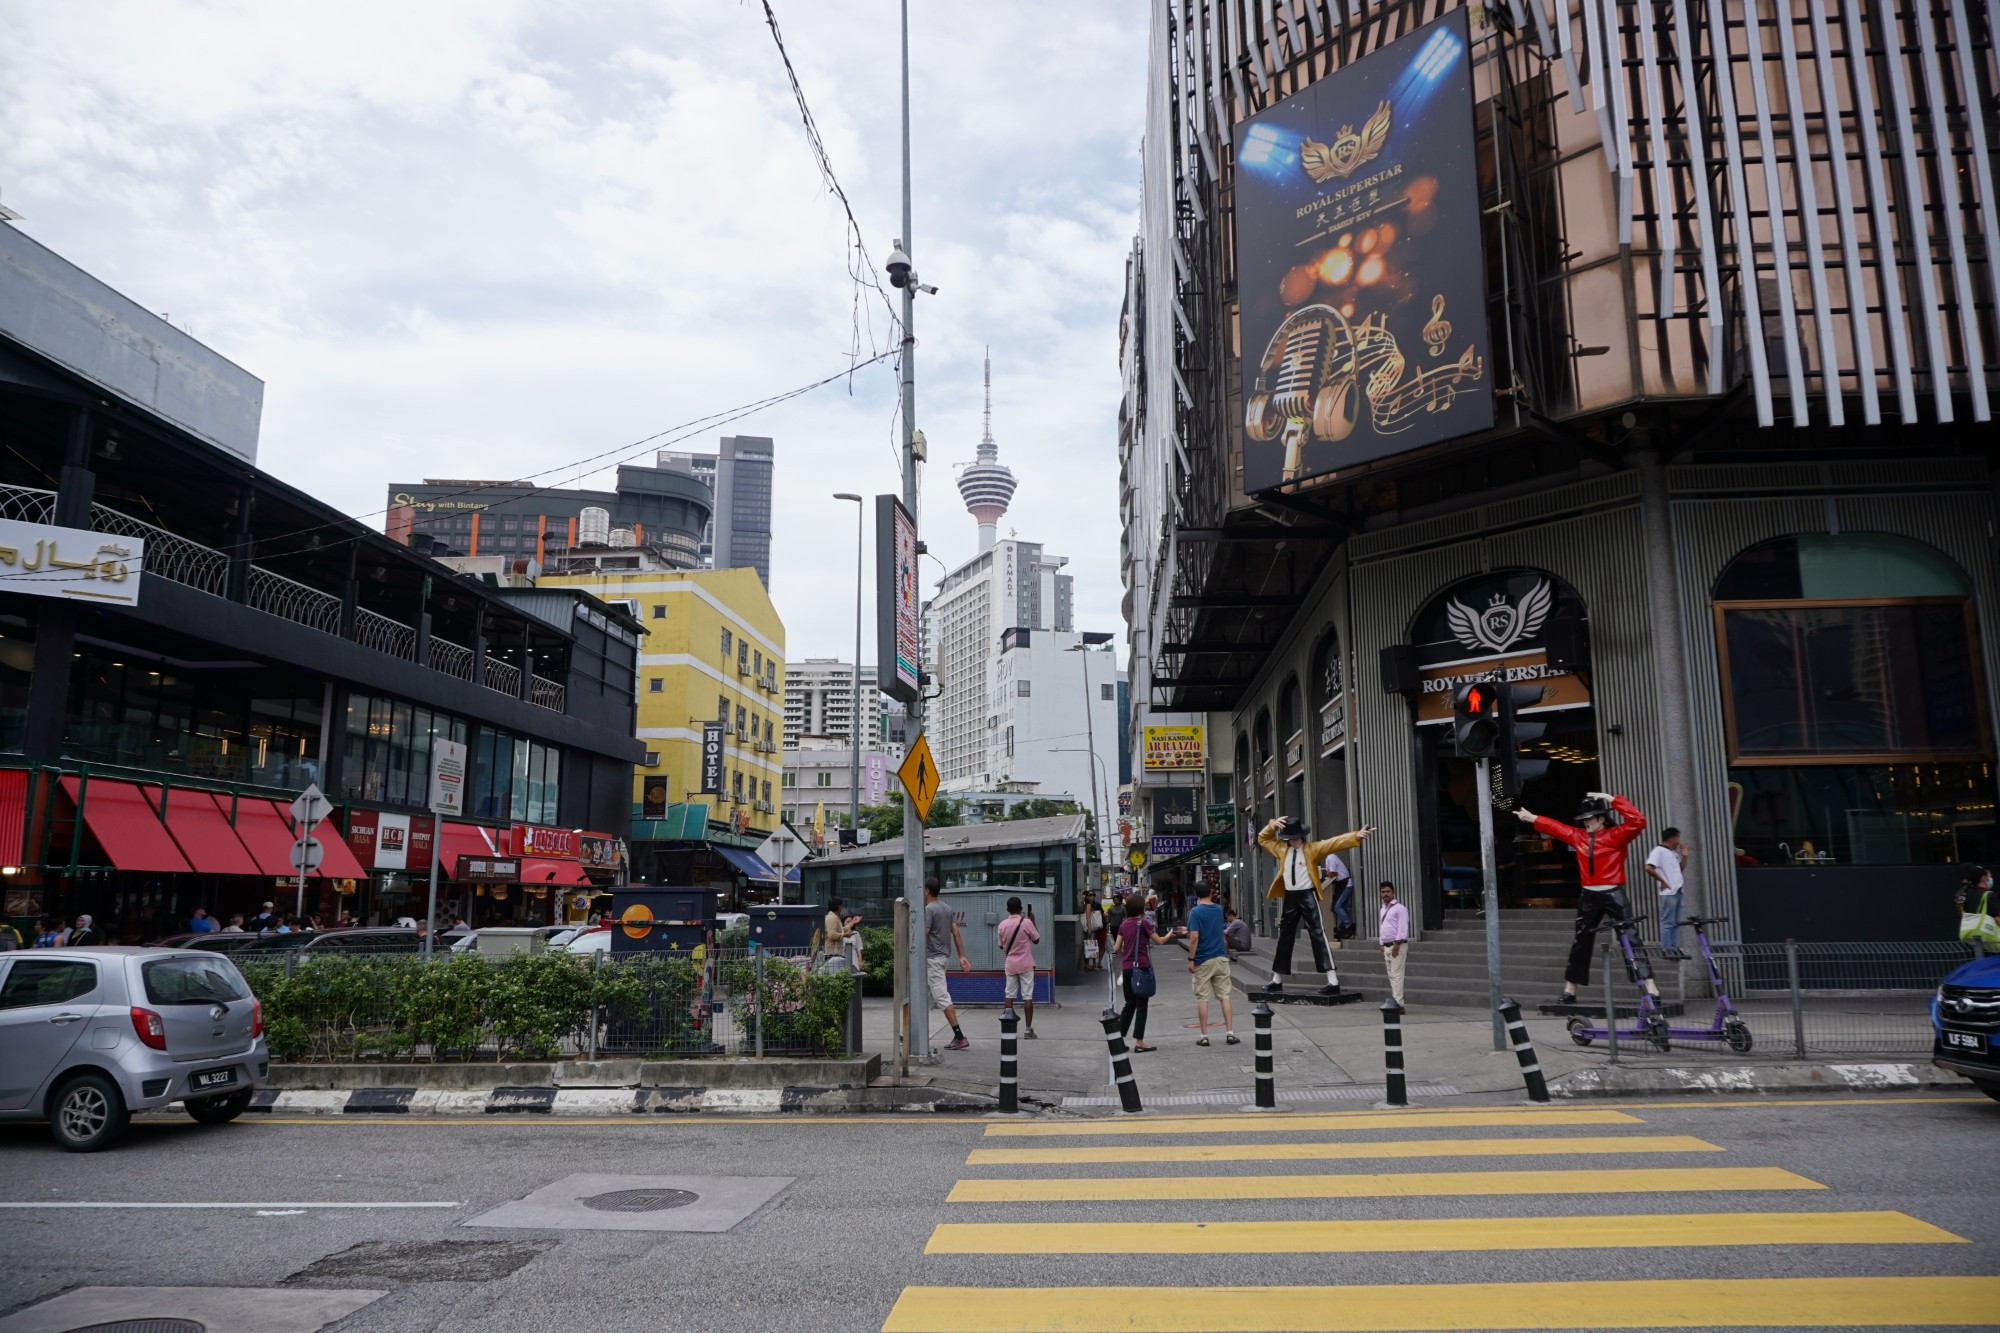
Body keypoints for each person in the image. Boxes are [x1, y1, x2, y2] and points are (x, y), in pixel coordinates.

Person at [1516, 792, 1661, 1006]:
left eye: (1590, 818)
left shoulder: (1616, 835)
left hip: (1613, 892)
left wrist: (1610, 798)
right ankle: (1570, 989)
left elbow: (1639, 820)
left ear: (1601, 819)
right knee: (1581, 940)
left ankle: (1650, 986)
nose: (1586, 823)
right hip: (1589, 894)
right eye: (1584, 819)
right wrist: (1533, 818)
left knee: (1630, 937)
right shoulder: (1579, 836)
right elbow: (1557, 828)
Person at [1255, 815, 1376, 997]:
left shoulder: (1311, 849)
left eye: (1296, 837)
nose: (1293, 841)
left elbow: (1334, 843)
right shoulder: (1281, 850)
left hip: (1307, 895)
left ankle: (1333, 981)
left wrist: (1356, 836)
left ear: (1302, 836)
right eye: (1290, 838)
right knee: (1284, 936)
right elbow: (1262, 839)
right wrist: (1272, 825)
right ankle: (1276, 980)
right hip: (1290, 897)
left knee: (1318, 934)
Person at [1116, 891, 1177, 1052]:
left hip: (1127, 968)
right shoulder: (1143, 923)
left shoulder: (1123, 925)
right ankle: (1139, 1042)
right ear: (1140, 908)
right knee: (1142, 1005)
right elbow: (1160, 941)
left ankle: (1118, 1040)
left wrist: (1126, 958)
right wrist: (1170, 934)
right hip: (1141, 968)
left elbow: (1116, 948)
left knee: (1129, 1004)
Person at [1184, 881, 1236, 1045]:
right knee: (1224, 996)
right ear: (1211, 892)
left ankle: (1204, 1037)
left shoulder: (1195, 912)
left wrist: (1191, 959)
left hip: (1203, 959)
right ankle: (1230, 1032)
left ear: (1196, 895)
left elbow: (1194, 937)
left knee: (1203, 998)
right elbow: (1217, 930)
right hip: (1220, 957)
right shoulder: (1218, 909)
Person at [924, 878, 972, 1051]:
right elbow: (956, 932)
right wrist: (962, 956)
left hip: (932, 960)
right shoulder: (947, 908)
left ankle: (959, 1036)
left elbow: (923, 933)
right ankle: (912, 1034)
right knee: (923, 998)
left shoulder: (929, 910)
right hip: (943, 957)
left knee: (942, 997)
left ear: (927, 891)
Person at [997, 897, 1041, 1038]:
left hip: (1010, 965)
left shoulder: (1002, 925)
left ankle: (1008, 1028)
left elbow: (1000, 945)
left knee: (1009, 994)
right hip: (1026, 965)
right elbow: (1036, 939)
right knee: (1027, 996)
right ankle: (1028, 1030)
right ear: (1021, 909)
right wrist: (1033, 921)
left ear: (1008, 910)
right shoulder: (1027, 922)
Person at [1645, 828, 1689, 960]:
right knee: (1668, 921)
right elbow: (1648, 867)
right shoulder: (1658, 851)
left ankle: (1673, 947)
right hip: (1669, 892)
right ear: (1671, 838)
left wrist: (1684, 856)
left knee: (1674, 922)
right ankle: (1667, 948)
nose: (1678, 841)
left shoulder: (1672, 853)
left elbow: (1679, 869)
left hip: (1677, 890)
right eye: (1677, 838)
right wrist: (1662, 881)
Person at [1377, 881, 1411, 1008]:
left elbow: (1403, 928)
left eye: (1388, 891)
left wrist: (1397, 944)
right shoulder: (1383, 909)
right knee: (1392, 975)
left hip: (1397, 946)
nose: (1385, 894)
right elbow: (1383, 926)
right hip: (1387, 946)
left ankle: (1398, 1003)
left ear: (1393, 893)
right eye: (1383, 892)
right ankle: (1396, 1000)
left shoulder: (1400, 908)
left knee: (1397, 975)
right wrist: (1381, 943)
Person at [1322, 849, 1356, 940]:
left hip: (1345, 885)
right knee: (1342, 907)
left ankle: (1347, 924)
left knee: (1336, 906)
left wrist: (1329, 873)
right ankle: (1344, 927)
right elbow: (1330, 873)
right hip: (1341, 885)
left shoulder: (1331, 857)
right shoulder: (1328, 858)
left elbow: (1332, 873)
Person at [1080, 897, 1104, 971]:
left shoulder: (1091, 905)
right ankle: (1088, 965)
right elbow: (1088, 918)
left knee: (1091, 945)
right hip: (1090, 930)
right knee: (1089, 945)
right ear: (1086, 897)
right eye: (1090, 895)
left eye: (1093, 895)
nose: (1092, 896)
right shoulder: (1088, 905)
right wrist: (1090, 929)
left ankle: (1092, 964)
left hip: (1090, 930)